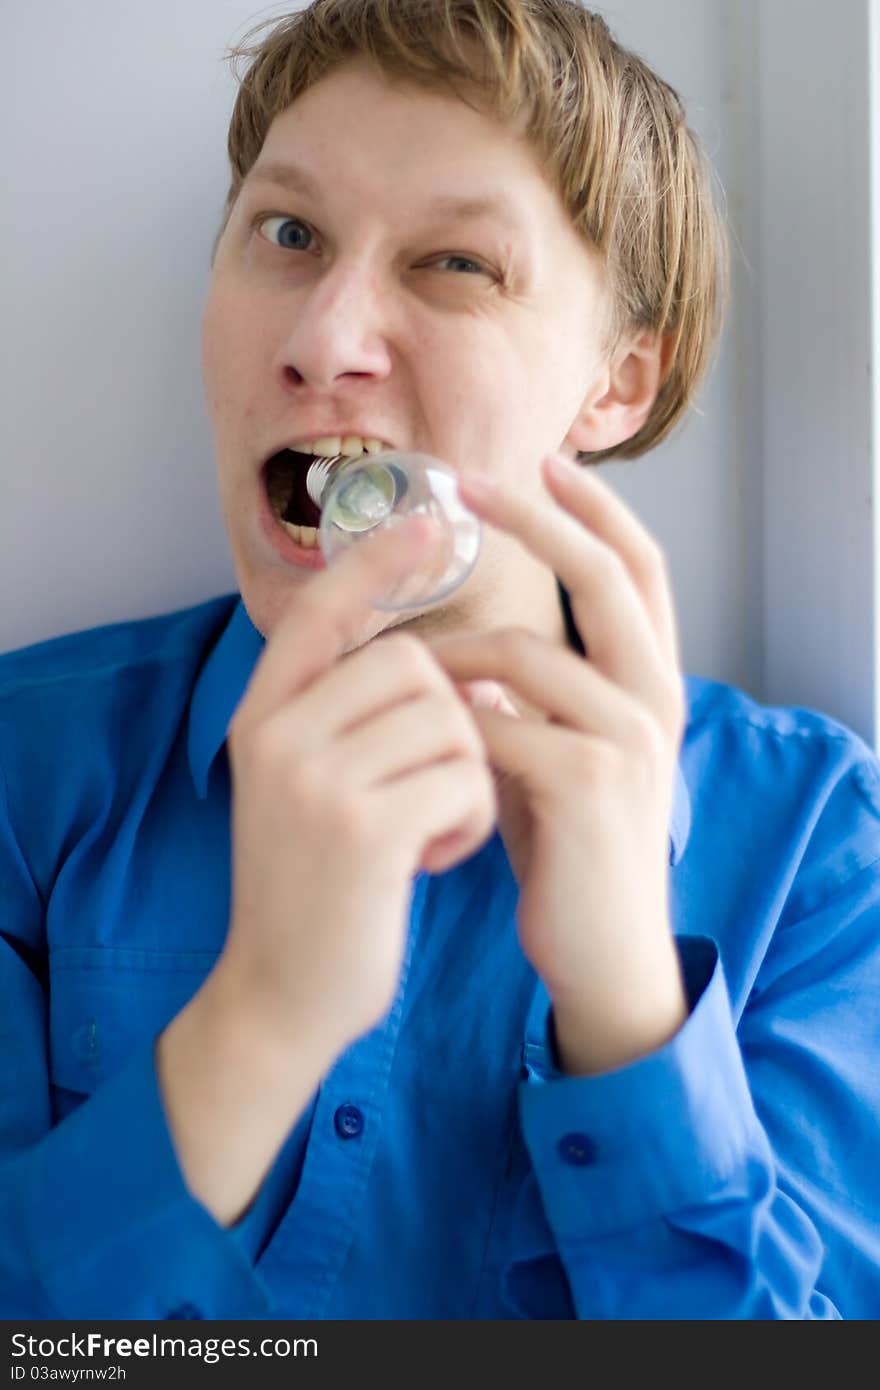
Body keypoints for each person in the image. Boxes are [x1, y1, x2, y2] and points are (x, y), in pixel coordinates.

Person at [1, 0, 878, 1321]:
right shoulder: (24, 773)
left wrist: (632, 1012)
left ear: (617, 386)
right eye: (287, 235)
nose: (322, 340)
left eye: (457, 265)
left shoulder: (820, 853)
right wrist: (264, 1016)